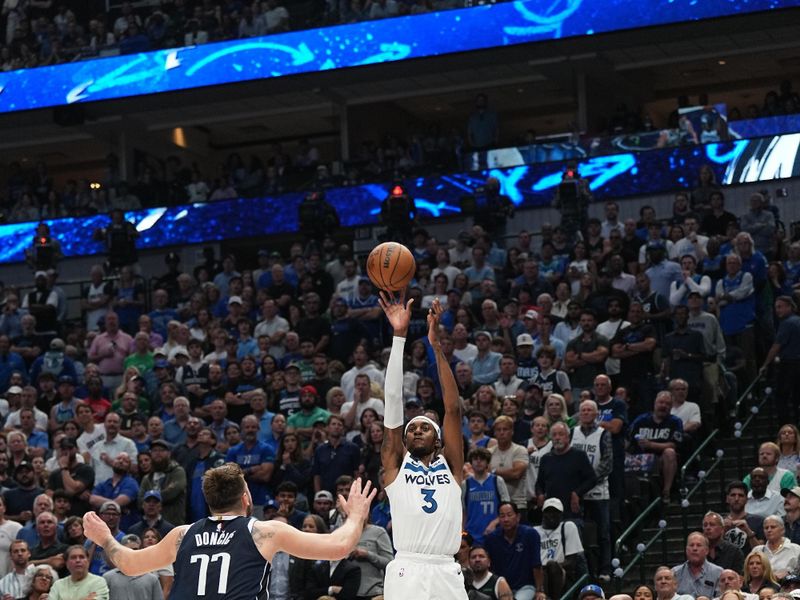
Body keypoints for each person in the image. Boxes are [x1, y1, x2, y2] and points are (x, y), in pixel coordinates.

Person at [83, 462, 375, 599]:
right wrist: (356, 516)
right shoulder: (264, 532)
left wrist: (105, 537)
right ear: (246, 498)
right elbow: (339, 546)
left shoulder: (182, 535)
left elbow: (128, 564)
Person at [377, 293, 469, 599]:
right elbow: (392, 401)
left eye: (424, 428)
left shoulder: (452, 466)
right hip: (407, 567)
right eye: (411, 428)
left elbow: (453, 408)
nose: (416, 430)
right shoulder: (395, 468)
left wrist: (436, 345)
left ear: (439, 440)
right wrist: (399, 337)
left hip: (446, 568)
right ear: (403, 441)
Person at [102, 533, 162, 600]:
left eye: (135, 549)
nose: (131, 553)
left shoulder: (152, 579)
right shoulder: (108, 578)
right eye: (127, 550)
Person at [671, 531, 723, 598]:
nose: (694, 548)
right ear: (686, 550)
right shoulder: (674, 573)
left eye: (699, 545)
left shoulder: (718, 573)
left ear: (706, 550)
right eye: (691, 545)